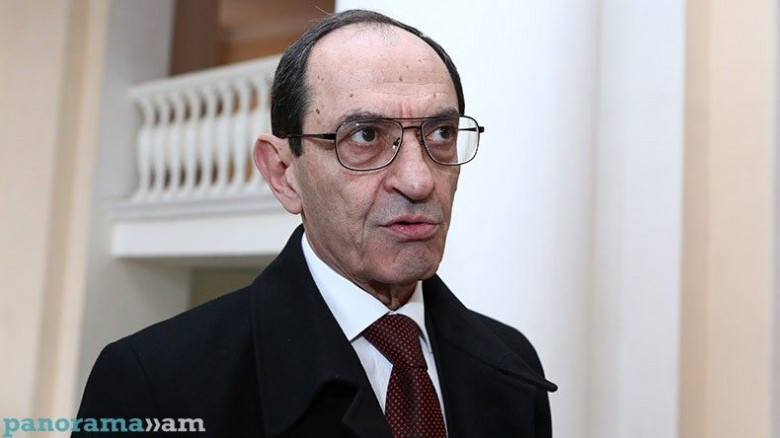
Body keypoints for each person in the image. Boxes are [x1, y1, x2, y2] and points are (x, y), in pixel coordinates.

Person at [74, 9, 556, 437]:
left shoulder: (512, 362)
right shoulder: (155, 382)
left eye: (442, 133)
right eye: (365, 136)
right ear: (284, 173)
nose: (418, 180)